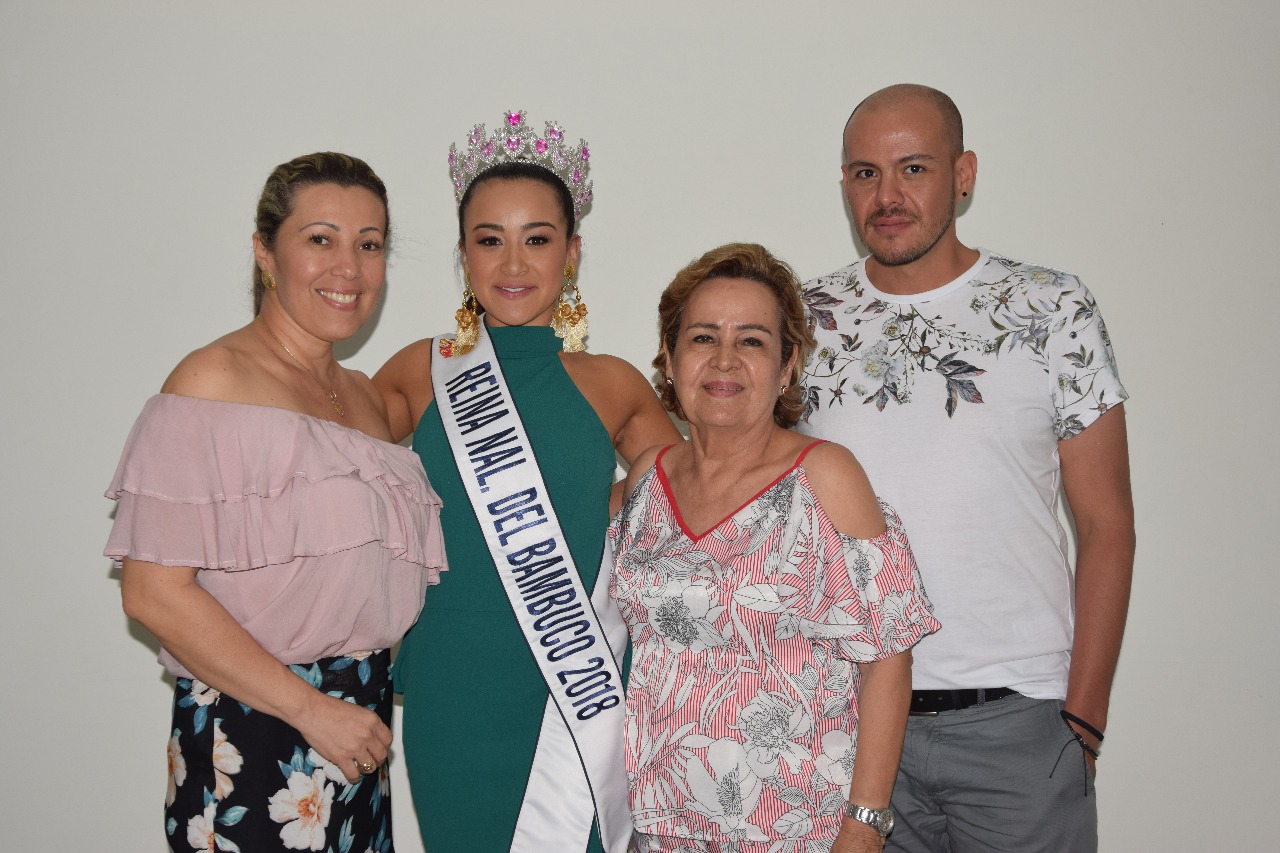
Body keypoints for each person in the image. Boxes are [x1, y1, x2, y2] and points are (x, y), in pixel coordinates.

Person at [798, 84, 1136, 852]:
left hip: (1019, 723)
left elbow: (1107, 524)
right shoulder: (804, 319)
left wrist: (1083, 719)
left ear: (964, 174)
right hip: (852, 727)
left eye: (913, 168)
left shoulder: (1052, 308)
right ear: (845, 183)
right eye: (865, 173)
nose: (887, 195)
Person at [104, 152, 447, 851]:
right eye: (321, 238)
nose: (348, 268)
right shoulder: (212, 381)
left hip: (359, 732)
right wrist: (311, 710)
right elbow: (153, 593)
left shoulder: (363, 399)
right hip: (255, 727)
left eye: (369, 244)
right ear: (265, 251)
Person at [373, 110, 681, 853]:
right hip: (453, 682)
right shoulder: (422, 369)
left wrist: (607, 507)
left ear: (572, 252)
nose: (513, 263)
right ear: (464, 256)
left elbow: (692, 493)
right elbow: (330, 464)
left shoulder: (613, 382)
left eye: (537, 239)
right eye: (490, 240)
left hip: (575, 683)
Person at [611, 243, 940, 853]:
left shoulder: (825, 476)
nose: (725, 360)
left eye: (752, 341)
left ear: (787, 366)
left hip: (792, 828)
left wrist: (864, 825)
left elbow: (889, 658)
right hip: (658, 826)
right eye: (703, 337)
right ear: (670, 358)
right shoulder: (646, 479)